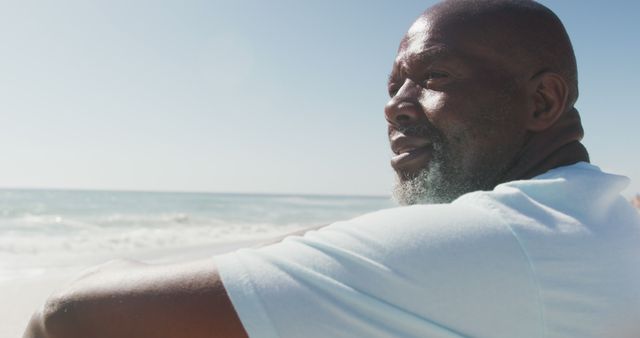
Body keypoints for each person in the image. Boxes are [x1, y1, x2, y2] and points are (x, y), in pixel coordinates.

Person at [23, 1, 640, 337]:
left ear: (543, 101)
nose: (394, 106)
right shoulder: (595, 214)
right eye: (394, 83)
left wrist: (118, 267)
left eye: (434, 78)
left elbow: (70, 314)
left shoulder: (499, 242)